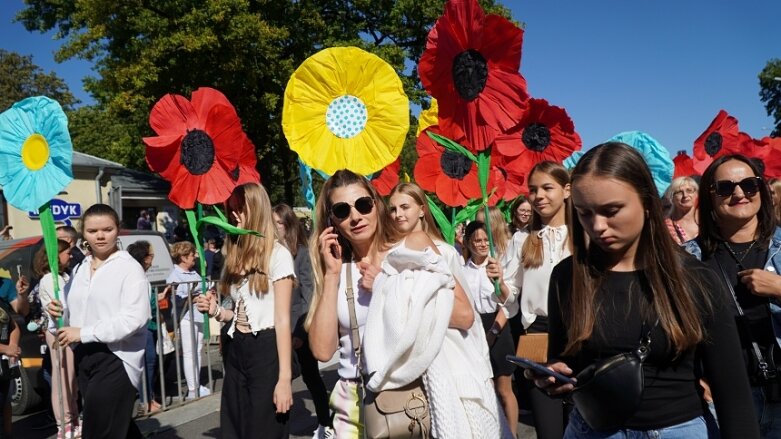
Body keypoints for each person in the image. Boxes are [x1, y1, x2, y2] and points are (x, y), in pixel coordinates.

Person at [530, 143, 759, 438]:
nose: (597, 225)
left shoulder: (696, 278)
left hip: (678, 430)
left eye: (611, 210)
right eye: (585, 213)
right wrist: (553, 377)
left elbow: (732, 392)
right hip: (590, 429)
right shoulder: (567, 276)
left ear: (647, 201)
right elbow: (567, 363)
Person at [685, 154, 781, 437]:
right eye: (726, 188)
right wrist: (693, 377)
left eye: (749, 185)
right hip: (725, 400)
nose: (739, 193)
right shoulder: (688, 258)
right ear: (710, 197)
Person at [196, 183, 294, 438]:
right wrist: (216, 311)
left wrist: (284, 380)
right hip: (236, 348)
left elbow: (282, 320)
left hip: (266, 349)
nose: (234, 215)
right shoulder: (235, 253)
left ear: (258, 209)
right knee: (234, 427)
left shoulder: (278, 254)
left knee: (263, 428)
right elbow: (239, 313)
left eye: (241, 209)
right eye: (232, 210)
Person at [47, 203, 150, 438]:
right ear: (83, 233)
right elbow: (72, 312)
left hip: (117, 357)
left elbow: (134, 319)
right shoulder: (81, 268)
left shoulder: (129, 269)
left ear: (118, 230)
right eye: (93, 231)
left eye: (107, 229)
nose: (101, 236)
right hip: (85, 356)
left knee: (98, 429)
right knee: (116, 426)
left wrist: (82, 333)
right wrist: (57, 313)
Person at [512, 161, 572, 439]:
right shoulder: (523, 240)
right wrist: (498, 284)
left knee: (581, 423)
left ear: (567, 190)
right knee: (547, 430)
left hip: (576, 334)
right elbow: (511, 294)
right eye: (533, 190)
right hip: (534, 337)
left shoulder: (583, 236)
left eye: (547, 187)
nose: (539, 196)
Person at [272, 203, 332, 438]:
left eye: (278, 222)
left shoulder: (303, 253)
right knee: (277, 380)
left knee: (310, 377)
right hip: (277, 328)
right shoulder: (271, 252)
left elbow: (308, 295)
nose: (274, 227)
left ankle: (325, 421)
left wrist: (299, 332)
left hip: (298, 327)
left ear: (288, 225)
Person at [461, 221, 519, 436]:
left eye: (486, 240)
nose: (483, 244)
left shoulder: (496, 266)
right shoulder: (461, 270)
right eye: (477, 240)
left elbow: (507, 304)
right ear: (468, 242)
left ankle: (512, 433)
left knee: (504, 388)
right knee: (486, 387)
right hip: (474, 328)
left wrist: (493, 332)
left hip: (498, 326)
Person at [34, 240, 79, 439]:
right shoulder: (48, 280)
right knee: (62, 379)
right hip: (60, 332)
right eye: (67, 252)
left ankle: (74, 419)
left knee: (71, 380)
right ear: (56, 255)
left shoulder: (64, 276)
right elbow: (61, 308)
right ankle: (64, 424)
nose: (70, 256)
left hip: (70, 332)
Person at [166, 241, 210, 400]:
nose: (194, 257)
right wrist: (193, 296)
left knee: (197, 351)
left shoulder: (193, 273)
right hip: (186, 317)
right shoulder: (174, 275)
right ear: (183, 257)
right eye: (192, 255)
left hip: (197, 315)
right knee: (190, 352)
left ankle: (197, 385)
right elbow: (175, 299)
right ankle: (192, 389)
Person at [127, 240, 164, 413]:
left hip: (149, 325)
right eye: (151, 256)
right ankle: (145, 400)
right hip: (143, 326)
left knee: (150, 362)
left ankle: (149, 398)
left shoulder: (141, 275)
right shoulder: (135, 276)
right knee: (147, 362)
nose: (152, 260)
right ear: (145, 258)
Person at [664, 176, 700, 245]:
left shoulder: (708, 219)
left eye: (689, 190)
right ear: (671, 197)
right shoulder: (665, 227)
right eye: (679, 192)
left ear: (696, 194)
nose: (685, 195)